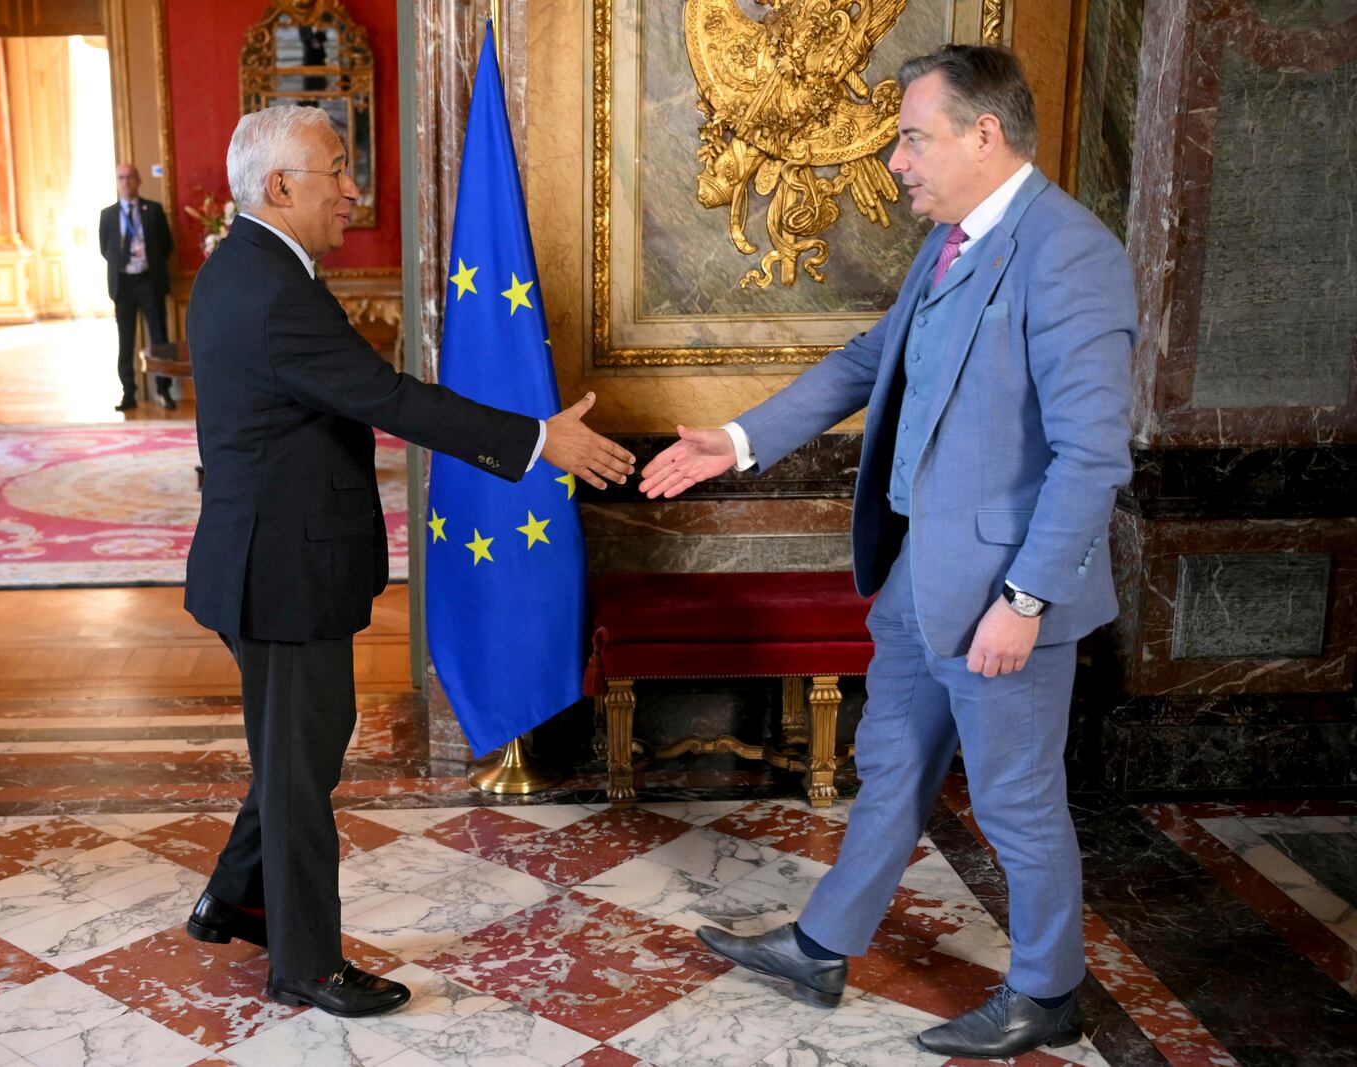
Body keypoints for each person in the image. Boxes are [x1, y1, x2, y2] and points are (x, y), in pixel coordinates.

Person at [639, 45, 1134, 1060]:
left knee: (1012, 797)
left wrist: (1027, 598)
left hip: (1004, 591)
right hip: (922, 571)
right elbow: (872, 360)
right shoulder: (952, 240)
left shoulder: (1068, 253)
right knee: (893, 761)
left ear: (982, 135)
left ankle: (1047, 990)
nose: (896, 158)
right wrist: (731, 441)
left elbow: (1092, 453)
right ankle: (822, 943)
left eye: (913, 136)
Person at [181, 104, 635, 1018]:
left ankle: (235, 894)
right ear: (278, 188)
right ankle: (304, 961)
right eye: (336, 172)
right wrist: (537, 438)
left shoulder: (250, 268)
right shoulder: (272, 288)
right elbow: (390, 397)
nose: (354, 190)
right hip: (281, 570)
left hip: (267, 560)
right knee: (303, 766)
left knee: (298, 745)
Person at [98, 164, 175, 411]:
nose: (126, 182)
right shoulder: (107, 215)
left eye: (130, 177)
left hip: (148, 281)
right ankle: (128, 394)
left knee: (159, 338)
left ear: (138, 180)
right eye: (121, 178)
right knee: (125, 340)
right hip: (124, 284)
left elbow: (166, 245)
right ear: (117, 182)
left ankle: (164, 391)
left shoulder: (153, 210)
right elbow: (105, 250)